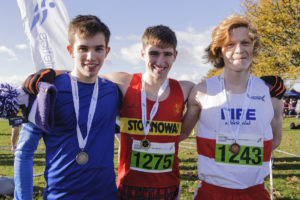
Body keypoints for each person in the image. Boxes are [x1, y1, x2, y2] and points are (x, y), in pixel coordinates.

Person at [24, 24, 194, 199]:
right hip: (129, 186)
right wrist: (51, 73)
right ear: (142, 54)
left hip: (167, 186)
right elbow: (83, 74)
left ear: (175, 56)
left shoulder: (186, 89)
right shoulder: (123, 82)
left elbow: (185, 132)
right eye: (154, 53)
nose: (160, 61)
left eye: (167, 54)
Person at [14, 15, 119, 199]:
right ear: (71, 50)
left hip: (106, 195)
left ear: (107, 51)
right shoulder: (48, 90)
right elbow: (24, 152)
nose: (91, 57)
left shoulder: (113, 91)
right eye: (83, 49)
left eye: (98, 49)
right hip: (60, 196)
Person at [181, 14, 283, 200]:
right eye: (230, 44)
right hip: (212, 193)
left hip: (255, 192)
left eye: (245, 42)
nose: (239, 49)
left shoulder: (270, 93)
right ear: (218, 51)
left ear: (253, 46)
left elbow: (275, 141)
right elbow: (180, 134)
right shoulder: (202, 91)